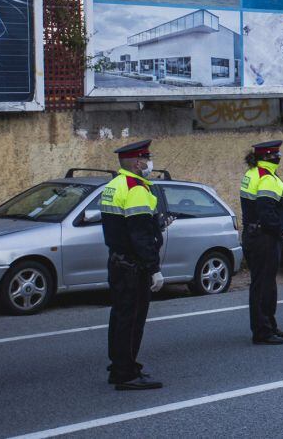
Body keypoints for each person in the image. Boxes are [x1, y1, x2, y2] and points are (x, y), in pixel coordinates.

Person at [101, 139, 163, 390]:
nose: (149, 163)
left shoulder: (114, 185)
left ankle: (119, 365)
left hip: (118, 261)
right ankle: (126, 374)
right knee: (132, 320)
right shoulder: (136, 189)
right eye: (147, 159)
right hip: (133, 267)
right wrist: (154, 268)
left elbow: (123, 227)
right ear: (138, 162)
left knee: (120, 317)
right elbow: (140, 234)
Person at [240, 140, 283, 344]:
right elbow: (266, 212)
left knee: (265, 283)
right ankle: (262, 331)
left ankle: (269, 324)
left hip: (254, 235)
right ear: (268, 156)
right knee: (263, 285)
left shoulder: (253, 173)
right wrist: (280, 230)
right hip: (265, 237)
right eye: (276, 154)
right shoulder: (266, 178)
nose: (279, 157)